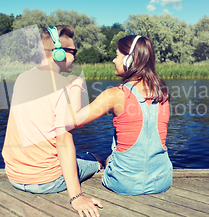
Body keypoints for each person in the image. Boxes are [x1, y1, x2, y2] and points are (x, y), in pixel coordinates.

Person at [1, 25, 103, 217]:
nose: (75, 57)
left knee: (80, 155)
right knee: (95, 159)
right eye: (73, 52)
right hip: (46, 181)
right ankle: (98, 163)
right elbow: (64, 141)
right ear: (58, 53)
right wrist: (77, 197)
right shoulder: (64, 86)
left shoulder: (22, 78)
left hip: (15, 176)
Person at [65, 35, 173, 195]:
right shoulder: (162, 93)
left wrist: (75, 85)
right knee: (112, 157)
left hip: (124, 184)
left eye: (117, 56)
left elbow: (71, 121)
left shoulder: (115, 95)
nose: (114, 61)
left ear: (129, 60)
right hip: (162, 180)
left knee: (105, 159)